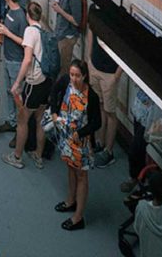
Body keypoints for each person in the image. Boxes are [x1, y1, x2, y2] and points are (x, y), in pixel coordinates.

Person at [48, 58, 102, 231]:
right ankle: (70, 201)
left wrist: (81, 133)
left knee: (81, 176)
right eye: (72, 75)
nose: (74, 79)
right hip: (66, 137)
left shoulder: (91, 96)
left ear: (85, 76)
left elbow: (97, 122)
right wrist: (55, 112)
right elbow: (54, 92)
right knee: (70, 169)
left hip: (80, 142)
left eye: (78, 75)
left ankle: (78, 217)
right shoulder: (65, 82)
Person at [2, 0, 49, 172]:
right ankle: (38, 155)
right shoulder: (44, 31)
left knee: (23, 120)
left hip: (34, 82)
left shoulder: (30, 31)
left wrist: (17, 82)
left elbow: (27, 59)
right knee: (40, 119)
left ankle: (16, 157)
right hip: (46, 81)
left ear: (28, 15)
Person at [86, 0, 122, 168]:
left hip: (109, 72)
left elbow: (124, 49)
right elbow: (91, 34)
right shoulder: (93, 11)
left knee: (110, 112)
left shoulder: (115, 18)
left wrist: (117, 75)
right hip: (96, 66)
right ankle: (100, 141)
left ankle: (109, 150)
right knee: (99, 106)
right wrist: (89, 60)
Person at [0, 0, 28, 138]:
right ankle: (12, 121)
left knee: (17, 95)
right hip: (7, 57)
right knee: (9, 92)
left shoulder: (21, 16)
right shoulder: (9, 11)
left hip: (16, 61)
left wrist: (7, 33)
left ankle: (21, 127)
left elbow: (24, 42)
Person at [51, 0, 82, 74]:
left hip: (68, 36)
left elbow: (76, 21)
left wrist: (60, 11)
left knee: (65, 65)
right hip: (60, 33)